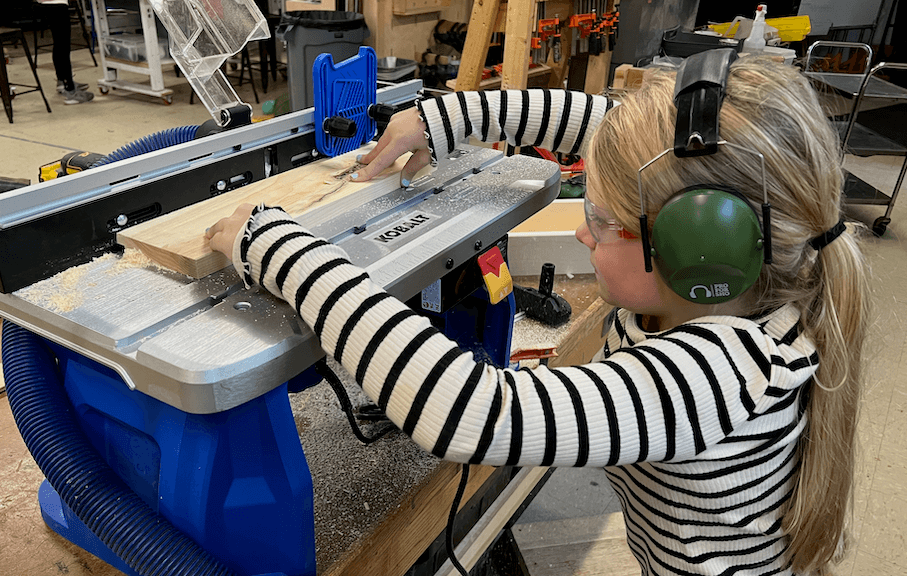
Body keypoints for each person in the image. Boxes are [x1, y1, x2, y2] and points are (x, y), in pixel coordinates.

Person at [205, 56, 869, 575]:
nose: (584, 235)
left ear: (699, 253)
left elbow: (467, 411)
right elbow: (597, 125)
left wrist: (274, 247)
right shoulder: (757, 282)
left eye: (601, 223)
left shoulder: (719, 376)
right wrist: (441, 121)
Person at [35, 0, 94, 104]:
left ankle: (62, 81)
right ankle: (71, 90)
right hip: (56, 4)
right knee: (63, 45)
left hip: (48, 4)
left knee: (59, 44)